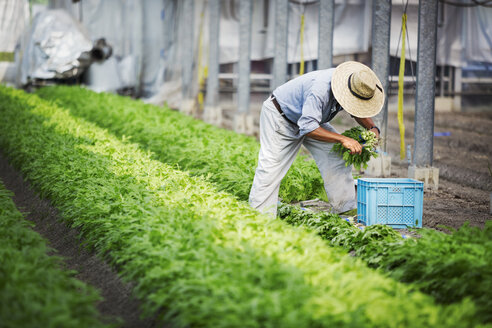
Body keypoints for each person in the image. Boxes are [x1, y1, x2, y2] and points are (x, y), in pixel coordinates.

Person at [249, 61, 384, 216]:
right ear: (345, 92)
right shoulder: (320, 89)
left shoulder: (354, 84)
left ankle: (345, 210)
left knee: (337, 156)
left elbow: (356, 111)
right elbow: (308, 128)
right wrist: (343, 139)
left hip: (311, 120)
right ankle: (258, 220)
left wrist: (372, 128)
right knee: (270, 168)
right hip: (281, 118)